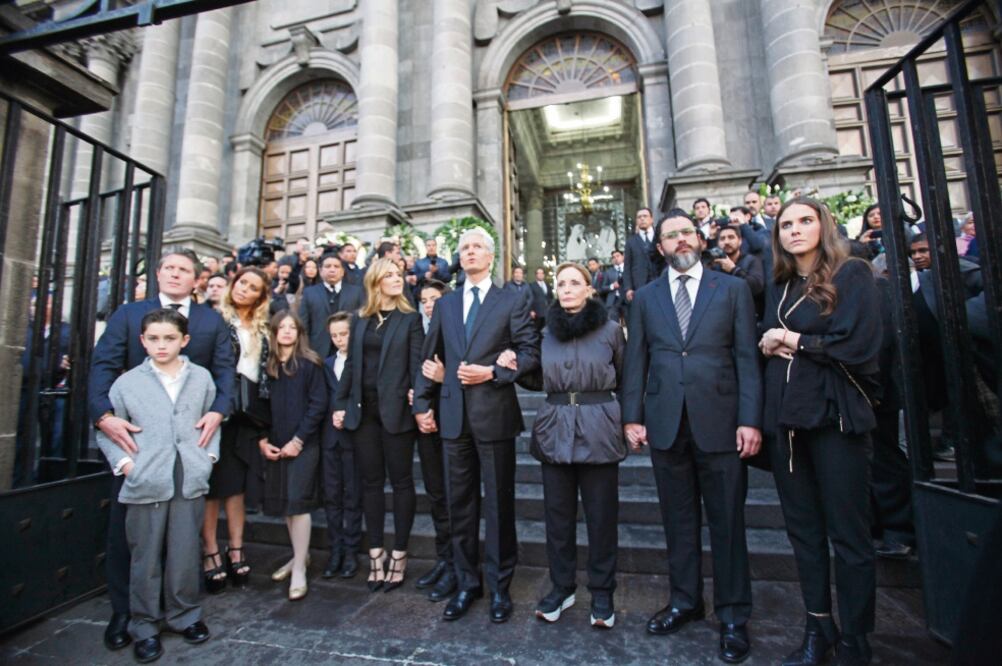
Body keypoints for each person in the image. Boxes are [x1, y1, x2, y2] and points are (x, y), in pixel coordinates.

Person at [622, 209, 761, 664]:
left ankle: (734, 615)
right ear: (659, 247)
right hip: (665, 424)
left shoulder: (734, 289)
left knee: (727, 523)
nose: (680, 241)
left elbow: (746, 358)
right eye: (670, 236)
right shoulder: (644, 297)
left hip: (721, 421)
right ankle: (685, 600)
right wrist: (632, 416)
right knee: (678, 522)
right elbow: (636, 361)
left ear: (699, 239)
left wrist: (750, 418)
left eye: (686, 233)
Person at [89, 250, 233, 653]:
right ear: (157, 275)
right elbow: (103, 364)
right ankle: (130, 614)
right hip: (139, 445)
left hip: (189, 451)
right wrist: (103, 417)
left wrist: (218, 416)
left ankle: (182, 610)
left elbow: (223, 372)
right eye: (168, 267)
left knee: (184, 540)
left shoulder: (209, 320)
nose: (174, 273)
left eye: (183, 269)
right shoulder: (130, 314)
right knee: (132, 540)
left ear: (197, 279)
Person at [759, 196, 880, 666]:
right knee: (803, 533)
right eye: (786, 224)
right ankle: (818, 627)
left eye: (805, 220)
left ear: (823, 225)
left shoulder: (852, 273)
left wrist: (790, 340)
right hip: (788, 424)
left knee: (848, 536)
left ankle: (854, 638)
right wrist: (772, 342)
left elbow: (858, 344)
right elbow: (765, 337)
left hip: (835, 421)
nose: (794, 230)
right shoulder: (782, 285)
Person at [412, 227, 540, 623]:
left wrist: (494, 374)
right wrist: (422, 403)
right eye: (463, 248)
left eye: (475, 247)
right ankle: (468, 584)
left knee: (499, 505)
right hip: (452, 418)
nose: (468, 253)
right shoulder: (447, 305)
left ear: (490, 255)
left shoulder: (511, 300)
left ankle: (500, 586)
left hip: (495, 415)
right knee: (460, 505)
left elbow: (529, 351)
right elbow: (428, 352)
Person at [498, 262, 626, 628]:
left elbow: (627, 375)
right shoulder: (546, 334)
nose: (566, 289)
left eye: (574, 283)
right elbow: (537, 378)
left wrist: (632, 421)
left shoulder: (611, 331)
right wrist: (514, 364)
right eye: (561, 283)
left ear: (590, 289)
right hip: (555, 428)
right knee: (557, 517)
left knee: (601, 518)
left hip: (599, 426)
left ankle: (602, 593)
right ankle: (562, 587)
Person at [333, 258, 424, 593]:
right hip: (363, 413)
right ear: (375, 282)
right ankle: (375, 553)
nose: (397, 279)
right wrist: (339, 403)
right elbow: (352, 366)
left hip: (397, 412)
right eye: (389, 275)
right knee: (370, 483)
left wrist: (420, 400)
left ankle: (399, 554)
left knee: (401, 483)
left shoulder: (410, 319)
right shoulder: (360, 320)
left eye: (399, 274)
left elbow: (416, 365)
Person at [202, 267, 272, 593]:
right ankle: (211, 551)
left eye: (253, 287)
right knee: (212, 488)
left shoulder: (263, 329)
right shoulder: (214, 319)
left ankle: (236, 547)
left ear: (261, 296)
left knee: (237, 488)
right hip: (217, 412)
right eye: (242, 282)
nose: (245, 289)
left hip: (248, 417)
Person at [260, 312, 327, 601]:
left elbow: (318, 404)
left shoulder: (310, 364)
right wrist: (263, 440)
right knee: (287, 505)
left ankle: (299, 567)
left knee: (299, 504)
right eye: (281, 327)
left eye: (292, 327)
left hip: (304, 444)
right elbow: (259, 405)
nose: (287, 332)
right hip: (276, 443)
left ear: (299, 333)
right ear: (273, 333)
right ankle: (299, 555)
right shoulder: (269, 366)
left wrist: (299, 440)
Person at [415, 280, 456, 601]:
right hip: (423, 420)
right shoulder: (417, 328)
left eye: (434, 298)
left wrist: (443, 383)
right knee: (435, 494)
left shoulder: (454, 326)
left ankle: (456, 563)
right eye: (424, 300)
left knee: (453, 494)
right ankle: (444, 559)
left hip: (451, 418)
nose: (429, 304)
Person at [319, 312, 362, 580]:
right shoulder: (327, 363)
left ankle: (351, 551)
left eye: (343, 334)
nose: (339, 340)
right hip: (330, 438)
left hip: (354, 436)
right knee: (332, 495)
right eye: (334, 336)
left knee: (353, 495)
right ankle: (335, 550)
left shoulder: (361, 363)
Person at [299, 253, 364, 358]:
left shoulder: (356, 292)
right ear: (320, 271)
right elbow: (303, 326)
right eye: (327, 266)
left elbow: (362, 322)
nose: (332, 270)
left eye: (336, 266)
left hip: (350, 351)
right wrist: (306, 351)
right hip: (317, 351)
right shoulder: (309, 293)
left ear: (342, 271)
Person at [712, 225, 765, 316]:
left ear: (740, 241)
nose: (726, 242)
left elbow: (757, 287)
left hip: (747, 315)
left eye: (731, 237)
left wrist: (734, 270)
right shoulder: (715, 265)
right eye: (722, 239)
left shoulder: (752, 260)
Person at [623, 207, 656, 306]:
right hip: (639, 284)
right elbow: (627, 267)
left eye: (645, 216)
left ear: (651, 219)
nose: (642, 219)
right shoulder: (630, 242)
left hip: (659, 280)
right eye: (639, 217)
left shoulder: (659, 237)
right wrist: (628, 288)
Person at [604, 249, 625, 322]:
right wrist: (612, 286)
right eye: (613, 257)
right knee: (613, 324)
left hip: (627, 297)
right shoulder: (608, 272)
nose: (616, 258)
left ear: (623, 256)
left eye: (618, 256)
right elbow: (602, 288)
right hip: (614, 300)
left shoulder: (629, 269)